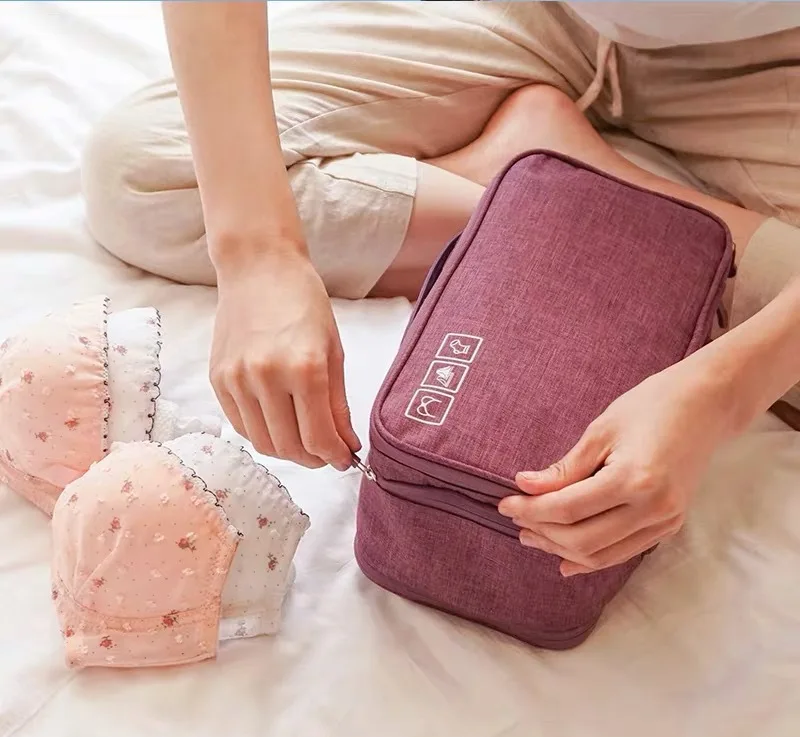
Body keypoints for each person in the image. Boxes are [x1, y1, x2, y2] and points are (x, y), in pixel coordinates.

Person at [82, 2, 800, 578]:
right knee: (144, 174)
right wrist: (258, 255)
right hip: (537, 15)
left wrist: (720, 393)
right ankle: (544, 190)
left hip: (774, 61)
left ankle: (555, 178)